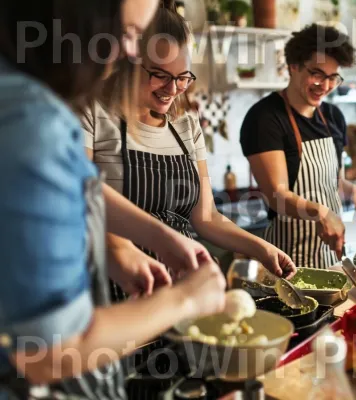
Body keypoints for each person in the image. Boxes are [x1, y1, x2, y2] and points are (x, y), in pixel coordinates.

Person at [0, 1, 227, 399]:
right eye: (129, 35)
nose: (130, 55)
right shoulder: (31, 121)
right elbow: (48, 352)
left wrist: (157, 236)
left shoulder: (23, 97)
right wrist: (186, 299)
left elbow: (80, 186)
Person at [85, 1, 296, 303]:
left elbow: (206, 215)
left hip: (182, 290)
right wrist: (120, 249)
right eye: (159, 74)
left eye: (183, 77)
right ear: (130, 61)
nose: (173, 89)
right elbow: (82, 199)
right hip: (119, 287)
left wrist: (261, 248)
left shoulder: (186, 126)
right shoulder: (93, 114)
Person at [240, 24, 356, 269]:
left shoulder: (334, 116)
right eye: (317, 73)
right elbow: (277, 196)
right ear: (293, 66)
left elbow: (334, 183)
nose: (325, 86)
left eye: (332, 77)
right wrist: (321, 213)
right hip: (286, 262)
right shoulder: (265, 118)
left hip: (331, 260)